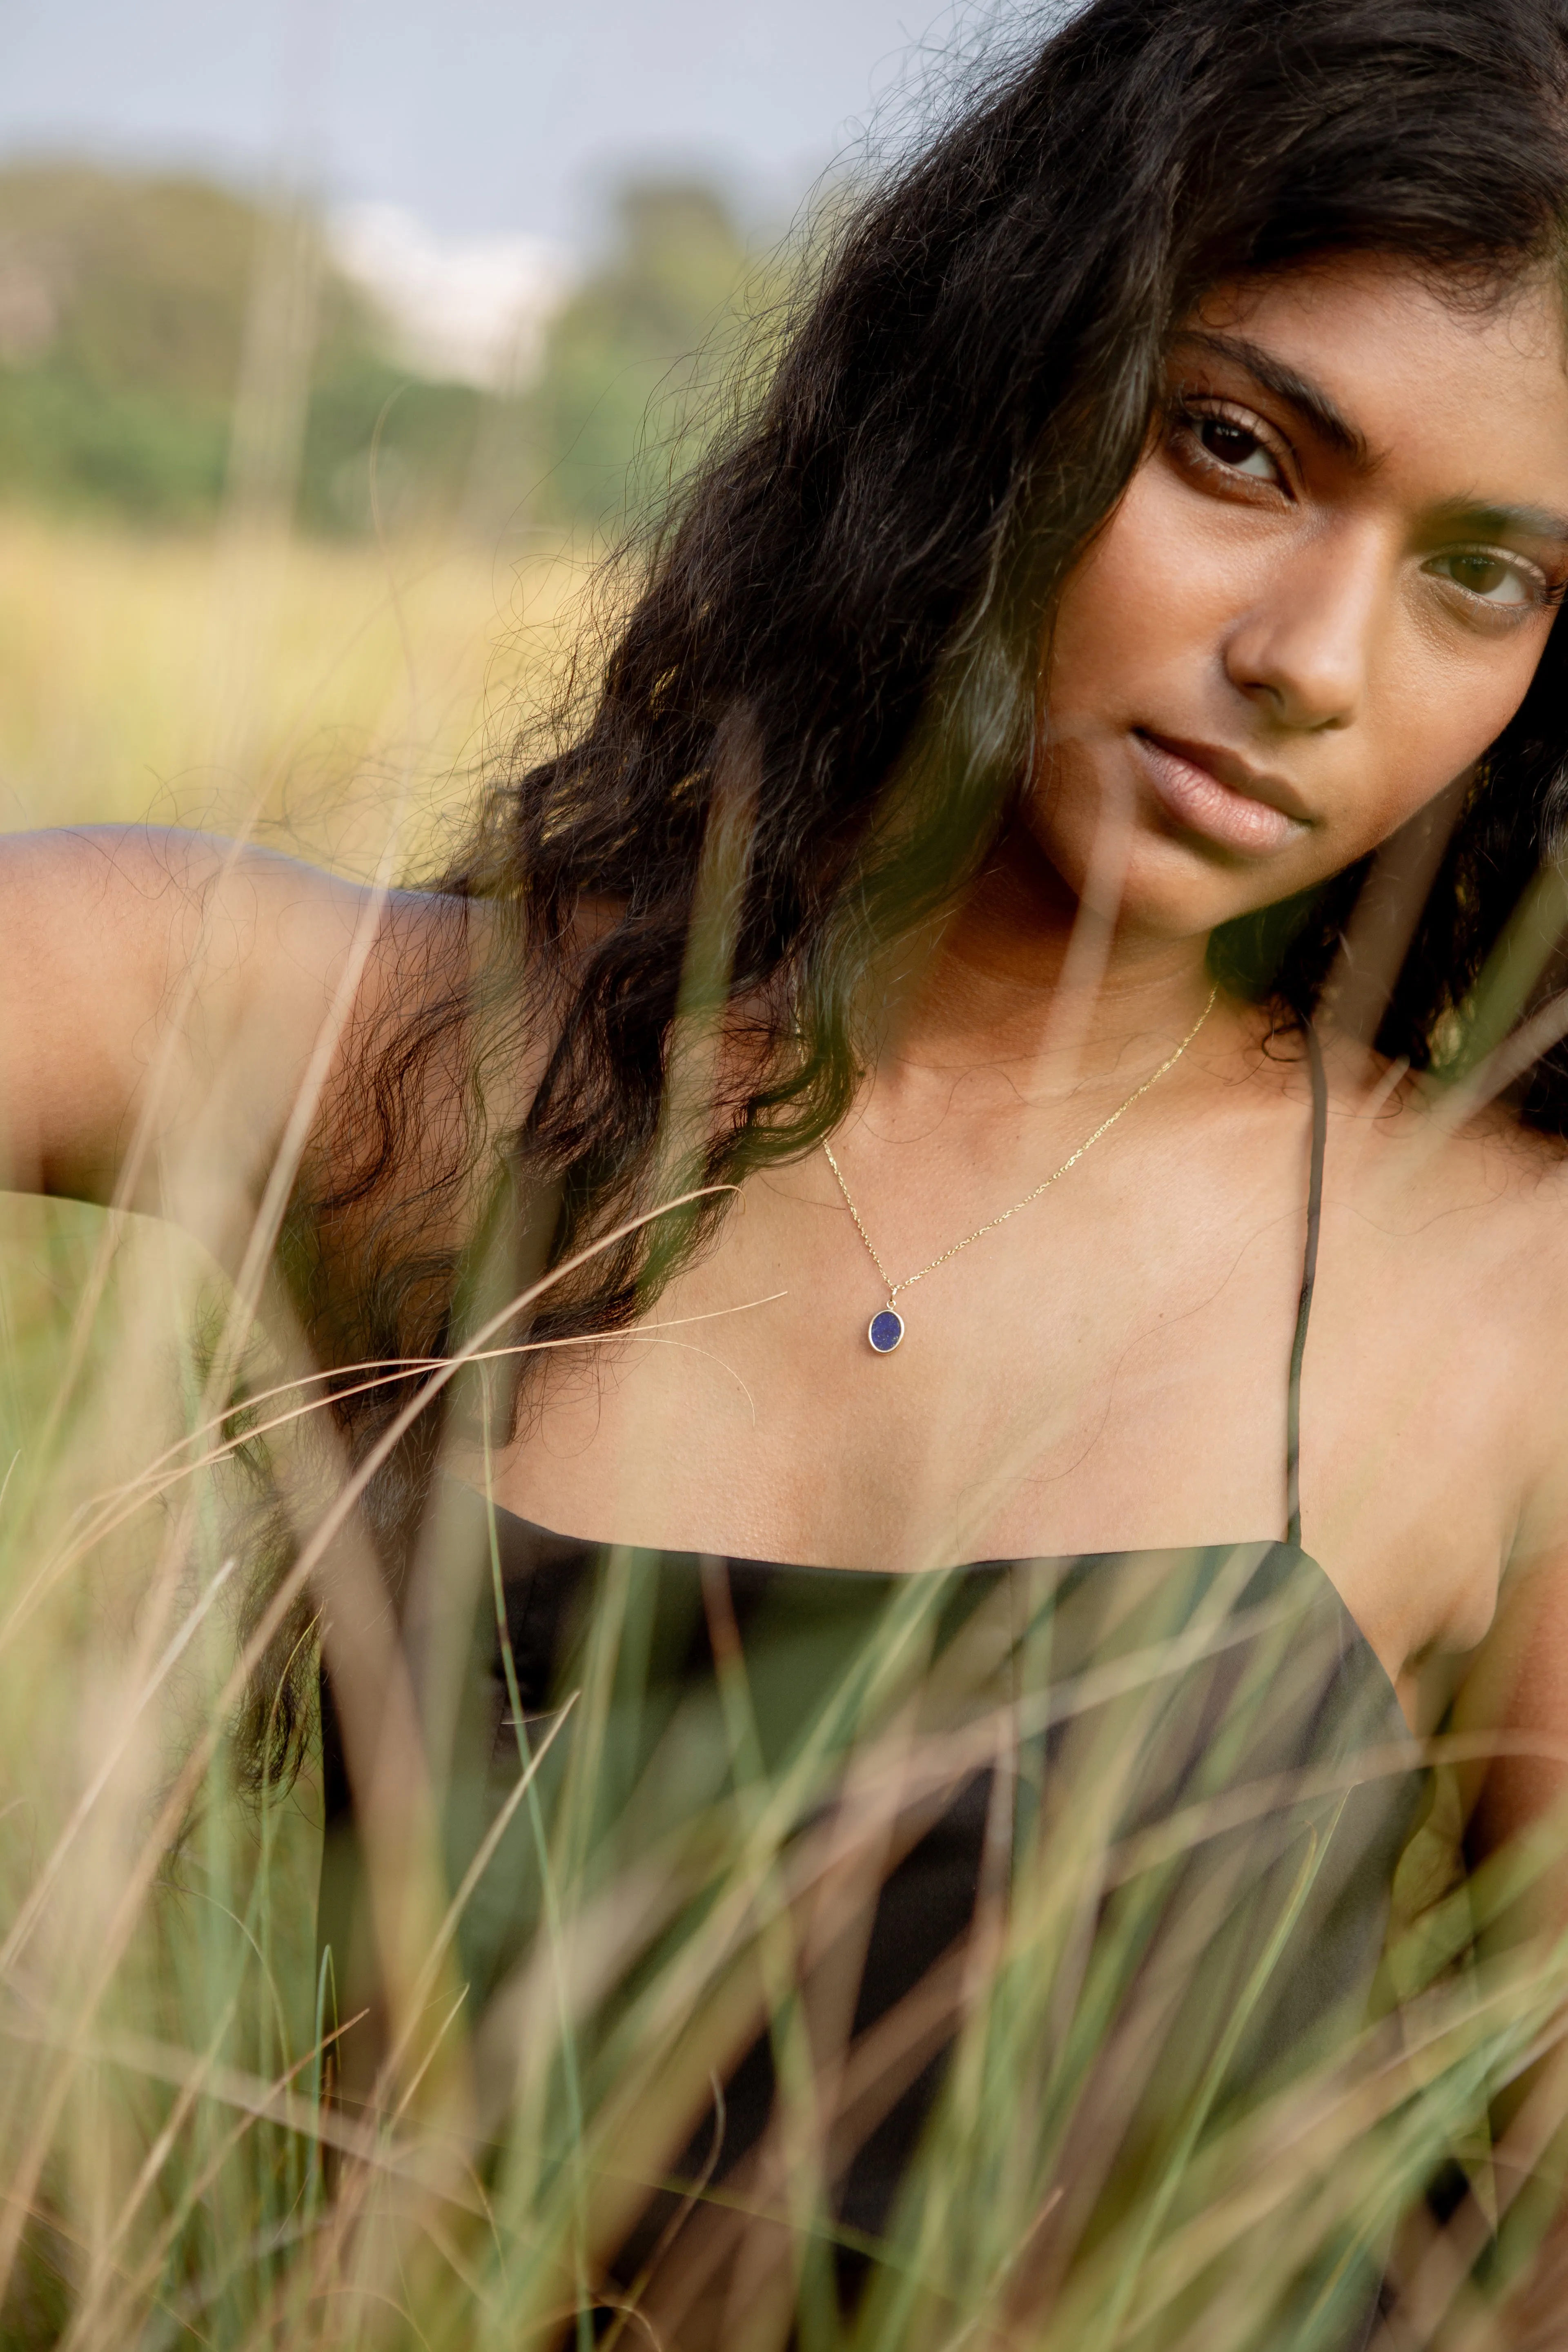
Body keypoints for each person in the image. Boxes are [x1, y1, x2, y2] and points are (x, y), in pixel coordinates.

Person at [10, 0, 1568, 2341]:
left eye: (1484, 576)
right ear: (1007, 378)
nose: (1312, 660)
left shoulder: (1515, 1308)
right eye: (1237, 447)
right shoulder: (393, 1066)